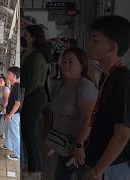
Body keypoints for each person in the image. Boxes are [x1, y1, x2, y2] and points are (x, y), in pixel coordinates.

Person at [85, 15, 130, 180]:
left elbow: (122, 134)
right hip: (103, 164)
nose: (89, 44)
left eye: (95, 40)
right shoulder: (108, 75)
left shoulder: (122, 81)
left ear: (112, 47)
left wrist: (96, 172)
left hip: (112, 168)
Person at [50, 47, 98, 180]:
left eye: (71, 62)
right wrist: (53, 140)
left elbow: (89, 119)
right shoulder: (63, 86)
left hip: (79, 149)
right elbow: (57, 114)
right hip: (64, 146)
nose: (66, 65)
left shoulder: (85, 87)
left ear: (82, 66)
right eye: (64, 61)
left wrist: (79, 145)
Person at [21, 24, 52, 179]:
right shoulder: (37, 54)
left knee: (30, 133)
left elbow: (31, 81)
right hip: (37, 97)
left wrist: (22, 97)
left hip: (33, 97)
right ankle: (36, 167)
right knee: (33, 134)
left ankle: (34, 171)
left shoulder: (36, 56)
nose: (23, 37)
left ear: (33, 37)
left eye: (26, 35)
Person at [0, 66, 22, 161]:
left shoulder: (18, 86)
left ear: (14, 75)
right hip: (10, 114)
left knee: (14, 133)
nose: (7, 75)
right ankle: (8, 145)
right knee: (8, 130)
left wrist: (10, 115)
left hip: (13, 115)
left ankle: (17, 154)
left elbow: (17, 104)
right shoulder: (13, 85)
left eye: (8, 74)